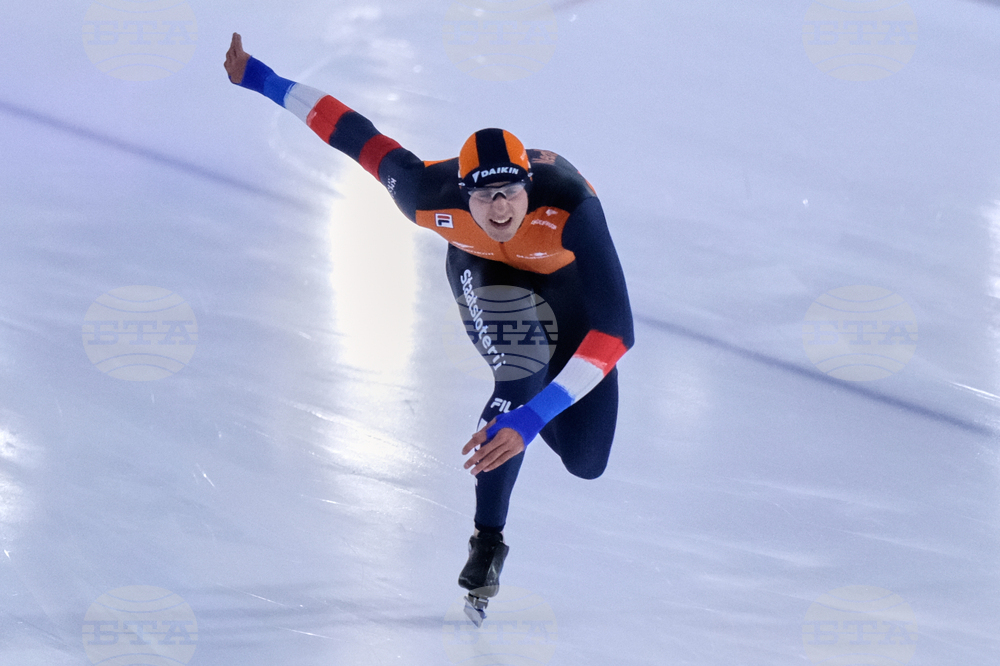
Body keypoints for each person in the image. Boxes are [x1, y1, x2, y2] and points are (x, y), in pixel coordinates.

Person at [224, 33, 634, 612]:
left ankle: (530, 409)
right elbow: (354, 135)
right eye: (485, 197)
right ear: (460, 194)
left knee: (587, 462)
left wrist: (537, 416)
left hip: (565, 288)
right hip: (489, 277)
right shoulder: (423, 191)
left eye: (510, 194)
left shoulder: (570, 207)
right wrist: (260, 78)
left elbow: (617, 333)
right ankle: (488, 541)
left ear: (528, 187)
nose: (500, 210)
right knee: (521, 376)